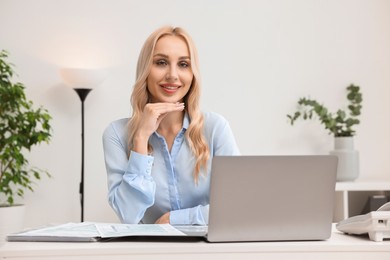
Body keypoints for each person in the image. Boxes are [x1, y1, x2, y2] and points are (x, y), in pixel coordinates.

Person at [102, 26, 239, 225]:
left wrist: (174, 220)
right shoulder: (116, 134)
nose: (173, 75)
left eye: (183, 64)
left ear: (193, 74)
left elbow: (237, 205)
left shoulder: (215, 128)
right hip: (149, 252)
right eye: (161, 62)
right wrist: (141, 139)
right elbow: (128, 215)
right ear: (145, 70)